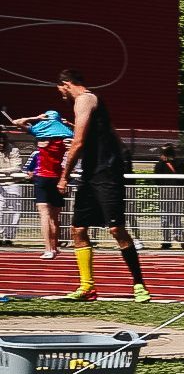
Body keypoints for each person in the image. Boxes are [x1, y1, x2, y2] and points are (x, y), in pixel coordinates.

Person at [48, 70, 151, 301]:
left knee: (116, 229)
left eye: (60, 90)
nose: (61, 95)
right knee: (78, 229)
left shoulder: (85, 99)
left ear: (66, 84)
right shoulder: (88, 103)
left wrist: (63, 176)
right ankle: (87, 286)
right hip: (90, 173)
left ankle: (139, 285)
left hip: (107, 173)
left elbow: (79, 141)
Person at [10, 110, 71, 258]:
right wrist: (67, 124)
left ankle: (48, 249)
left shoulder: (39, 132)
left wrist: (35, 117)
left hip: (41, 176)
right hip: (57, 177)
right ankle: (55, 248)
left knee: (44, 214)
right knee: (55, 217)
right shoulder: (65, 136)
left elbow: (16, 122)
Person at [153, 144, 184, 248]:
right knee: (176, 217)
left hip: (164, 193)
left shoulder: (159, 165)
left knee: (165, 218)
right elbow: (183, 180)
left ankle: (166, 241)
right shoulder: (180, 163)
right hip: (177, 193)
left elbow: (156, 180)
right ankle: (179, 237)